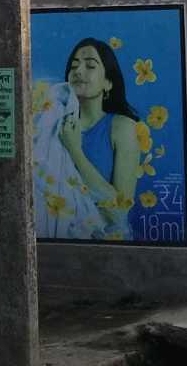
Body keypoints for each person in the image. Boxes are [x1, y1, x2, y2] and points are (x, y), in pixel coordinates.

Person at [50, 37, 144, 242]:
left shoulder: (122, 128)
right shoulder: (52, 123)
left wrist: (75, 151)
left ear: (108, 83)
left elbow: (118, 212)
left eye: (90, 66)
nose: (78, 71)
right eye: (74, 66)